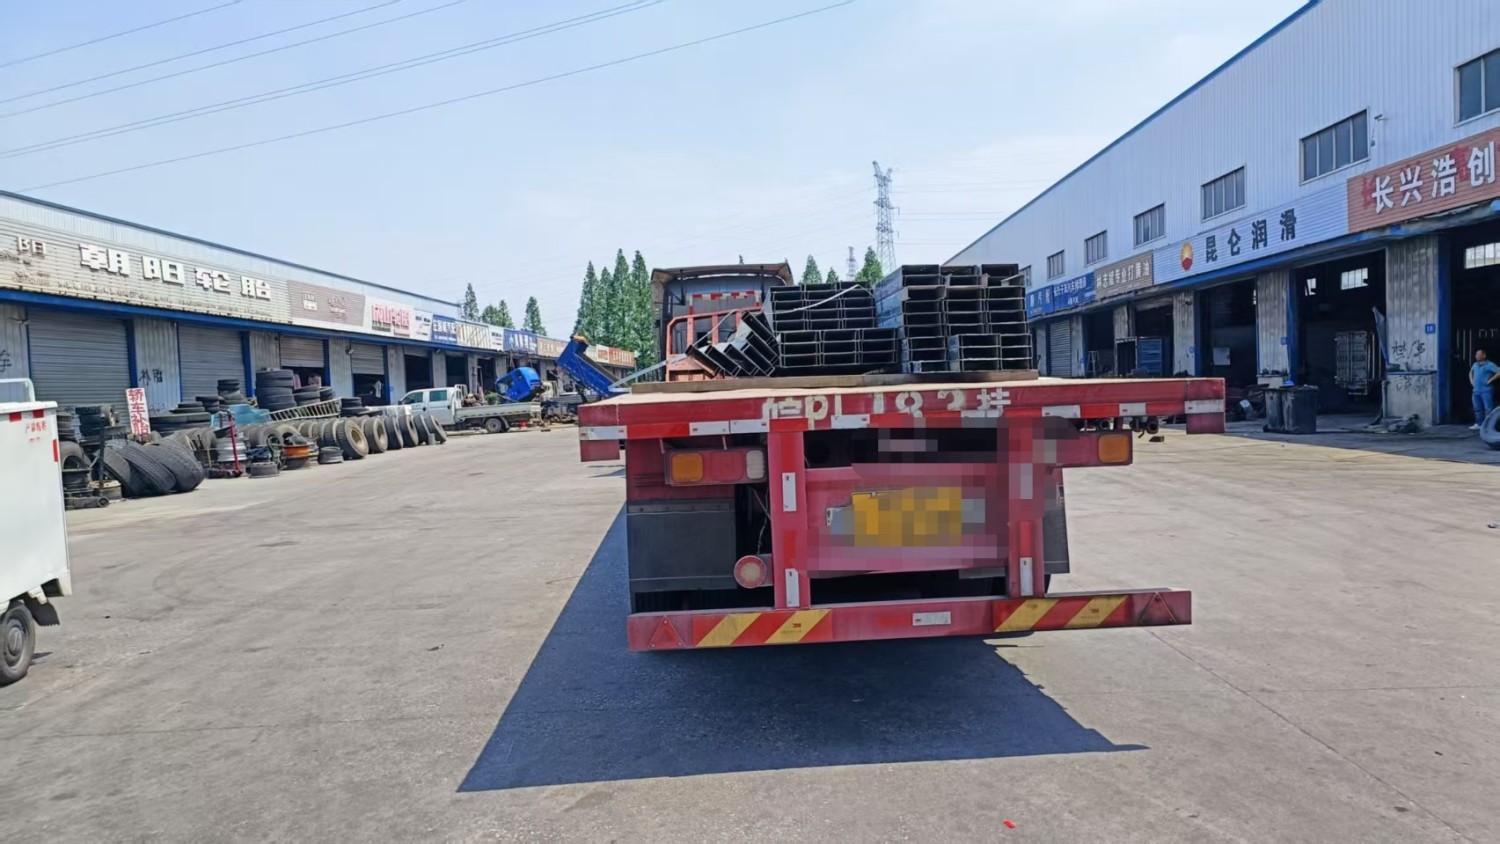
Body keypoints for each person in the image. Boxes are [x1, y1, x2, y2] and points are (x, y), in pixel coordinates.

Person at [1470, 348, 1500, 430]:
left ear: (1484, 355)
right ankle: (1479, 424)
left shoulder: (1489, 365)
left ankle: (1488, 426)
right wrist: (1472, 381)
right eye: (1476, 354)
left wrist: (1490, 380)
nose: (1476, 356)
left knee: (1488, 409)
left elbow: (1499, 372)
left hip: (1486, 390)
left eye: (1478, 354)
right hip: (1476, 390)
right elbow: (1470, 372)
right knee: (1477, 408)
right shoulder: (1475, 364)